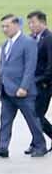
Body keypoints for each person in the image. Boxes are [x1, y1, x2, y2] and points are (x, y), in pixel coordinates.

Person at [0, 14, 45, 158]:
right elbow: (4, 66)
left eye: (7, 26)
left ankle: (40, 145)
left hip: (22, 91)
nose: (4, 29)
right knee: (5, 121)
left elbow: (30, 67)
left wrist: (24, 87)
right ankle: (2, 147)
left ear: (17, 25)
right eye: (2, 26)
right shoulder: (5, 44)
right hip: (7, 90)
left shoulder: (28, 42)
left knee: (32, 120)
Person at [31, 11, 52, 139]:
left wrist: (44, 79)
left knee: (37, 114)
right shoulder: (32, 38)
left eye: (33, 22)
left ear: (43, 22)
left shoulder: (49, 38)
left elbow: (51, 63)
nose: (31, 25)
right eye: (29, 23)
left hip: (44, 83)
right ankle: (35, 141)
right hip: (34, 82)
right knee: (33, 114)